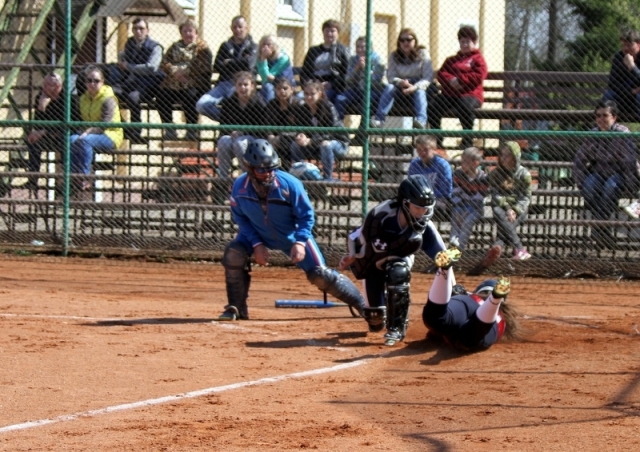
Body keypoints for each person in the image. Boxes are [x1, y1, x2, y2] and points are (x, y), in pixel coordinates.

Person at [219, 139, 365, 321]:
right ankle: (236, 308)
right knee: (234, 253)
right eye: (261, 170)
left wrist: (300, 241)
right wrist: (256, 244)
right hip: (257, 233)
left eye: (271, 168)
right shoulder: (239, 187)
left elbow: (306, 216)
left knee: (320, 275)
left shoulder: (290, 184)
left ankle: (362, 304)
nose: (267, 174)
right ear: (250, 169)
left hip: (291, 235)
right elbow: (240, 218)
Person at [338, 175, 449, 346]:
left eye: (425, 208)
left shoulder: (424, 225)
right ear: (404, 202)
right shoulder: (381, 214)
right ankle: (379, 308)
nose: (421, 213)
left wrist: (452, 287)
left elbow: (443, 258)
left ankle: (397, 327)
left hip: (400, 258)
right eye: (417, 207)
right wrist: (352, 255)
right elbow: (354, 236)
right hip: (374, 262)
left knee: (398, 272)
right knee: (375, 321)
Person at [422, 247, 520, 352]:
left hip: (469, 301)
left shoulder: (468, 295)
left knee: (435, 318)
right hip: (491, 319)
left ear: (479, 290)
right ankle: (495, 300)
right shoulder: (505, 320)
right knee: (469, 339)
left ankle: (444, 270)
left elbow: (435, 331)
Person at [573, 100, 638, 247]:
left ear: (614, 117)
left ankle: (598, 227)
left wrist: (631, 185)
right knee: (589, 185)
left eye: (605, 115)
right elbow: (580, 159)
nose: (601, 119)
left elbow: (629, 162)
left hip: (619, 173)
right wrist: (580, 180)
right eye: (598, 116)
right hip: (599, 172)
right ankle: (602, 228)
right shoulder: (594, 134)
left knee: (611, 186)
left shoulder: (622, 133)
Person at [470, 141, 532, 275]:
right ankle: (519, 248)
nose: (503, 158)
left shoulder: (524, 174)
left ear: (515, 157)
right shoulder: (496, 173)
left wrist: (514, 210)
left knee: (504, 225)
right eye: (502, 155)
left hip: (519, 209)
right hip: (502, 208)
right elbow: (495, 194)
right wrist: (508, 208)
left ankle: (497, 246)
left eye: (508, 155)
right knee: (498, 210)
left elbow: (526, 197)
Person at [428, 25, 488, 148]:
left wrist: (461, 81)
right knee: (433, 106)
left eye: (468, 41)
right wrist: (451, 81)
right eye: (462, 41)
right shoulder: (452, 60)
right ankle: (437, 137)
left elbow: (479, 75)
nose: (465, 44)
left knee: (464, 106)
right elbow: (442, 73)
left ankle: (467, 138)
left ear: (474, 42)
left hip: (471, 95)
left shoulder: (478, 59)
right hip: (450, 95)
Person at [158, 19, 213, 141]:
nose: (188, 34)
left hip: (195, 82)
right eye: (185, 31)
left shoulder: (202, 47)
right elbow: (164, 62)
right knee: (161, 96)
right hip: (174, 82)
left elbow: (204, 65)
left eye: (190, 31)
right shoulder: (174, 47)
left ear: (196, 33)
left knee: (190, 96)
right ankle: (170, 129)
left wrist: (185, 72)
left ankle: (192, 130)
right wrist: (174, 71)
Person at [70, 65, 123, 189]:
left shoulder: (108, 99)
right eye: (89, 80)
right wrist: (84, 131)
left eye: (96, 81)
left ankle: (85, 177)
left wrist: (88, 131)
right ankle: (73, 177)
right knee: (71, 139)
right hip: (89, 134)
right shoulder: (83, 98)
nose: (92, 84)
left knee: (84, 141)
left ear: (103, 82)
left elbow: (105, 124)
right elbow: (82, 121)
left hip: (110, 134)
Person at [25, 72, 80, 190]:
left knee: (66, 140)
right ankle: (33, 180)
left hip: (66, 134)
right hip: (49, 135)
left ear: (58, 86)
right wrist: (41, 107)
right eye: (44, 84)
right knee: (32, 141)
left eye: (48, 85)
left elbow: (69, 124)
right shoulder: (41, 97)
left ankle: (68, 182)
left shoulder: (69, 99)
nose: (44, 87)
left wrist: (44, 131)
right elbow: (39, 123)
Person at [196, 16, 257, 121]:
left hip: (241, 85)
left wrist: (228, 62)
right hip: (223, 84)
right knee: (201, 105)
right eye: (235, 27)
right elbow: (217, 66)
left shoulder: (253, 46)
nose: (237, 30)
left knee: (232, 104)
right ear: (231, 28)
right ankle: (228, 121)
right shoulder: (225, 45)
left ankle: (231, 123)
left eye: (240, 27)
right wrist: (239, 63)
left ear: (247, 28)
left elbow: (249, 65)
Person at [114, 17, 164, 144]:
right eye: (135, 29)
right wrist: (121, 59)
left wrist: (129, 67)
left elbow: (151, 67)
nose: (138, 31)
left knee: (133, 97)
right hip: (131, 83)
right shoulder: (130, 43)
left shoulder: (155, 47)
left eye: (141, 28)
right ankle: (123, 127)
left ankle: (136, 132)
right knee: (109, 92)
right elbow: (122, 57)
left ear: (147, 30)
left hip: (149, 85)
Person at [371, 28, 433, 129]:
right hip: (401, 88)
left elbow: (427, 77)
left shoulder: (423, 53)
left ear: (415, 41)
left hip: (419, 86)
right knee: (389, 87)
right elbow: (391, 76)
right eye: (402, 40)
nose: (405, 43)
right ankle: (379, 120)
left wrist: (414, 87)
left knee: (420, 92)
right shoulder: (393, 56)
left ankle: (421, 121)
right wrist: (401, 82)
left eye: (408, 40)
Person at [290, 80, 349, 181]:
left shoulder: (328, 107)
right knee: (295, 144)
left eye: (312, 94)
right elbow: (299, 128)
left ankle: (327, 177)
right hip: (316, 145)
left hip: (338, 143)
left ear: (320, 94)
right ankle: (297, 173)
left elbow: (331, 133)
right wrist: (301, 136)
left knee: (326, 144)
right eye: (306, 94)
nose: (308, 97)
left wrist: (311, 141)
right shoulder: (303, 109)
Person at [216, 71, 267, 178]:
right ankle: (222, 178)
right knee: (223, 141)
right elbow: (223, 125)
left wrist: (242, 132)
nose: (242, 88)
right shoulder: (229, 103)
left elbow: (262, 129)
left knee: (240, 143)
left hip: (253, 139)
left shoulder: (258, 102)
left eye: (246, 85)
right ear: (235, 86)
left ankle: (246, 177)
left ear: (252, 86)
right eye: (239, 85)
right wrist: (230, 133)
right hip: (233, 137)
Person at [299, 19, 350, 104]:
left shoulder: (343, 51)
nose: (329, 34)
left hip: (331, 87)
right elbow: (305, 71)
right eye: (327, 31)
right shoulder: (313, 51)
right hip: (313, 85)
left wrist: (332, 84)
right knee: (299, 98)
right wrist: (308, 84)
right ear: (323, 32)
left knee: (322, 98)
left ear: (338, 33)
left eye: (333, 31)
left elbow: (347, 73)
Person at [334, 36, 385, 120]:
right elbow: (347, 80)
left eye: (363, 47)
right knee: (340, 99)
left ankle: (362, 131)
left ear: (370, 48)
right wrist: (356, 68)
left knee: (366, 102)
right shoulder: (353, 59)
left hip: (372, 90)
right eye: (358, 47)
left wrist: (365, 69)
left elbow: (376, 81)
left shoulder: (378, 61)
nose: (360, 50)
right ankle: (339, 129)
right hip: (356, 90)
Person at [449, 147, 489, 250]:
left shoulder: (483, 177)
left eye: (465, 162)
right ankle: (453, 241)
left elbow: (480, 198)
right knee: (456, 216)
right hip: (461, 205)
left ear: (475, 163)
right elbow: (455, 193)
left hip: (476, 208)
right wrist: (460, 206)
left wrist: (468, 210)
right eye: (462, 161)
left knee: (467, 222)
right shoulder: (458, 174)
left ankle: (459, 249)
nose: (462, 164)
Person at [407, 135, 453, 221]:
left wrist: (427, 197)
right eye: (419, 150)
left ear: (434, 149)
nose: (422, 152)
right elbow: (410, 185)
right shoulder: (415, 164)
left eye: (426, 149)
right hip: (419, 199)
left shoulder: (442, 165)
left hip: (439, 199)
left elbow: (446, 190)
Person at [265, 77, 304, 171]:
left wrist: (281, 136)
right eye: (279, 88)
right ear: (275, 90)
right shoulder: (271, 105)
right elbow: (267, 124)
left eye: (285, 88)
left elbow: (301, 127)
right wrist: (270, 135)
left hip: (294, 137)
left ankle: (290, 171)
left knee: (284, 142)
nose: (282, 91)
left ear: (292, 89)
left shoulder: (298, 104)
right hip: (276, 139)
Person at [603, 30, 640, 121]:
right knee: (608, 96)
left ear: (638, 44)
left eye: (629, 45)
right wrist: (630, 91)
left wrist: (632, 66)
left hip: (637, 99)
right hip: (623, 96)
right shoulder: (618, 57)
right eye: (623, 45)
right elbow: (612, 83)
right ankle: (603, 131)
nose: (626, 48)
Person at [255, 34, 295, 103]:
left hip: (285, 85)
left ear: (275, 46)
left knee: (268, 87)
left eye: (268, 44)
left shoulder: (283, 58)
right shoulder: (260, 58)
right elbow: (265, 78)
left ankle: (271, 111)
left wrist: (263, 60)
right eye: (263, 45)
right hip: (268, 85)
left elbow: (269, 77)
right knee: (266, 88)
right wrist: (263, 59)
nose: (265, 47)